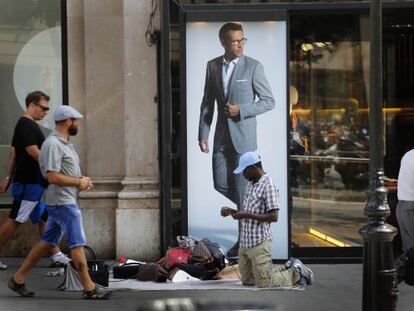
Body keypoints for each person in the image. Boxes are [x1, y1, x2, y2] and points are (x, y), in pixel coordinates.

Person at [8, 105, 111, 299]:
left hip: (62, 199)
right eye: (76, 120)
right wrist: (78, 181)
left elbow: (64, 172)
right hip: (62, 202)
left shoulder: (64, 144)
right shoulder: (53, 144)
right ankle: (89, 288)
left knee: (48, 241)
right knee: (77, 244)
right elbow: (52, 177)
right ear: (68, 121)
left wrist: (82, 180)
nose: (78, 124)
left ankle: (18, 279)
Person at [198, 22, 275, 256]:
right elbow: (206, 103)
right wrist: (203, 133)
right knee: (219, 182)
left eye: (243, 40)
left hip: (244, 139)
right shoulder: (212, 66)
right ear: (224, 43)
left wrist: (240, 109)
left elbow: (269, 101)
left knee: (242, 189)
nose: (240, 44)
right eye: (235, 41)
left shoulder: (253, 66)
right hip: (221, 136)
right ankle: (251, 208)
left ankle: (243, 244)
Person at [221, 151, 314, 287]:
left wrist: (245, 215)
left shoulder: (268, 184)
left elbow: (273, 216)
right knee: (247, 281)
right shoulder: (250, 184)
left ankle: (297, 273)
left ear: (253, 167)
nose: (243, 175)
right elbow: (249, 211)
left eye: (244, 171)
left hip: (259, 243)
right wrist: (232, 211)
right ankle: (289, 266)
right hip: (245, 244)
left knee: (264, 282)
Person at [0, 91, 70, 271]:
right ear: (32, 105)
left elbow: (13, 153)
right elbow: (32, 151)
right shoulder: (26, 125)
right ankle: (55, 254)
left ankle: (55, 254)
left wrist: (8, 177)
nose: (46, 112)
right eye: (44, 108)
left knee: (45, 216)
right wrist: (52, 168)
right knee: (16, 219)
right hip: (30, 183)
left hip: (35, 182)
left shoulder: (26, 125)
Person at [396, 148, 414, 259]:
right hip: (411, 205)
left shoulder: (408, 155)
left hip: (403, 205)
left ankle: (406, 273)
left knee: (409, 248)